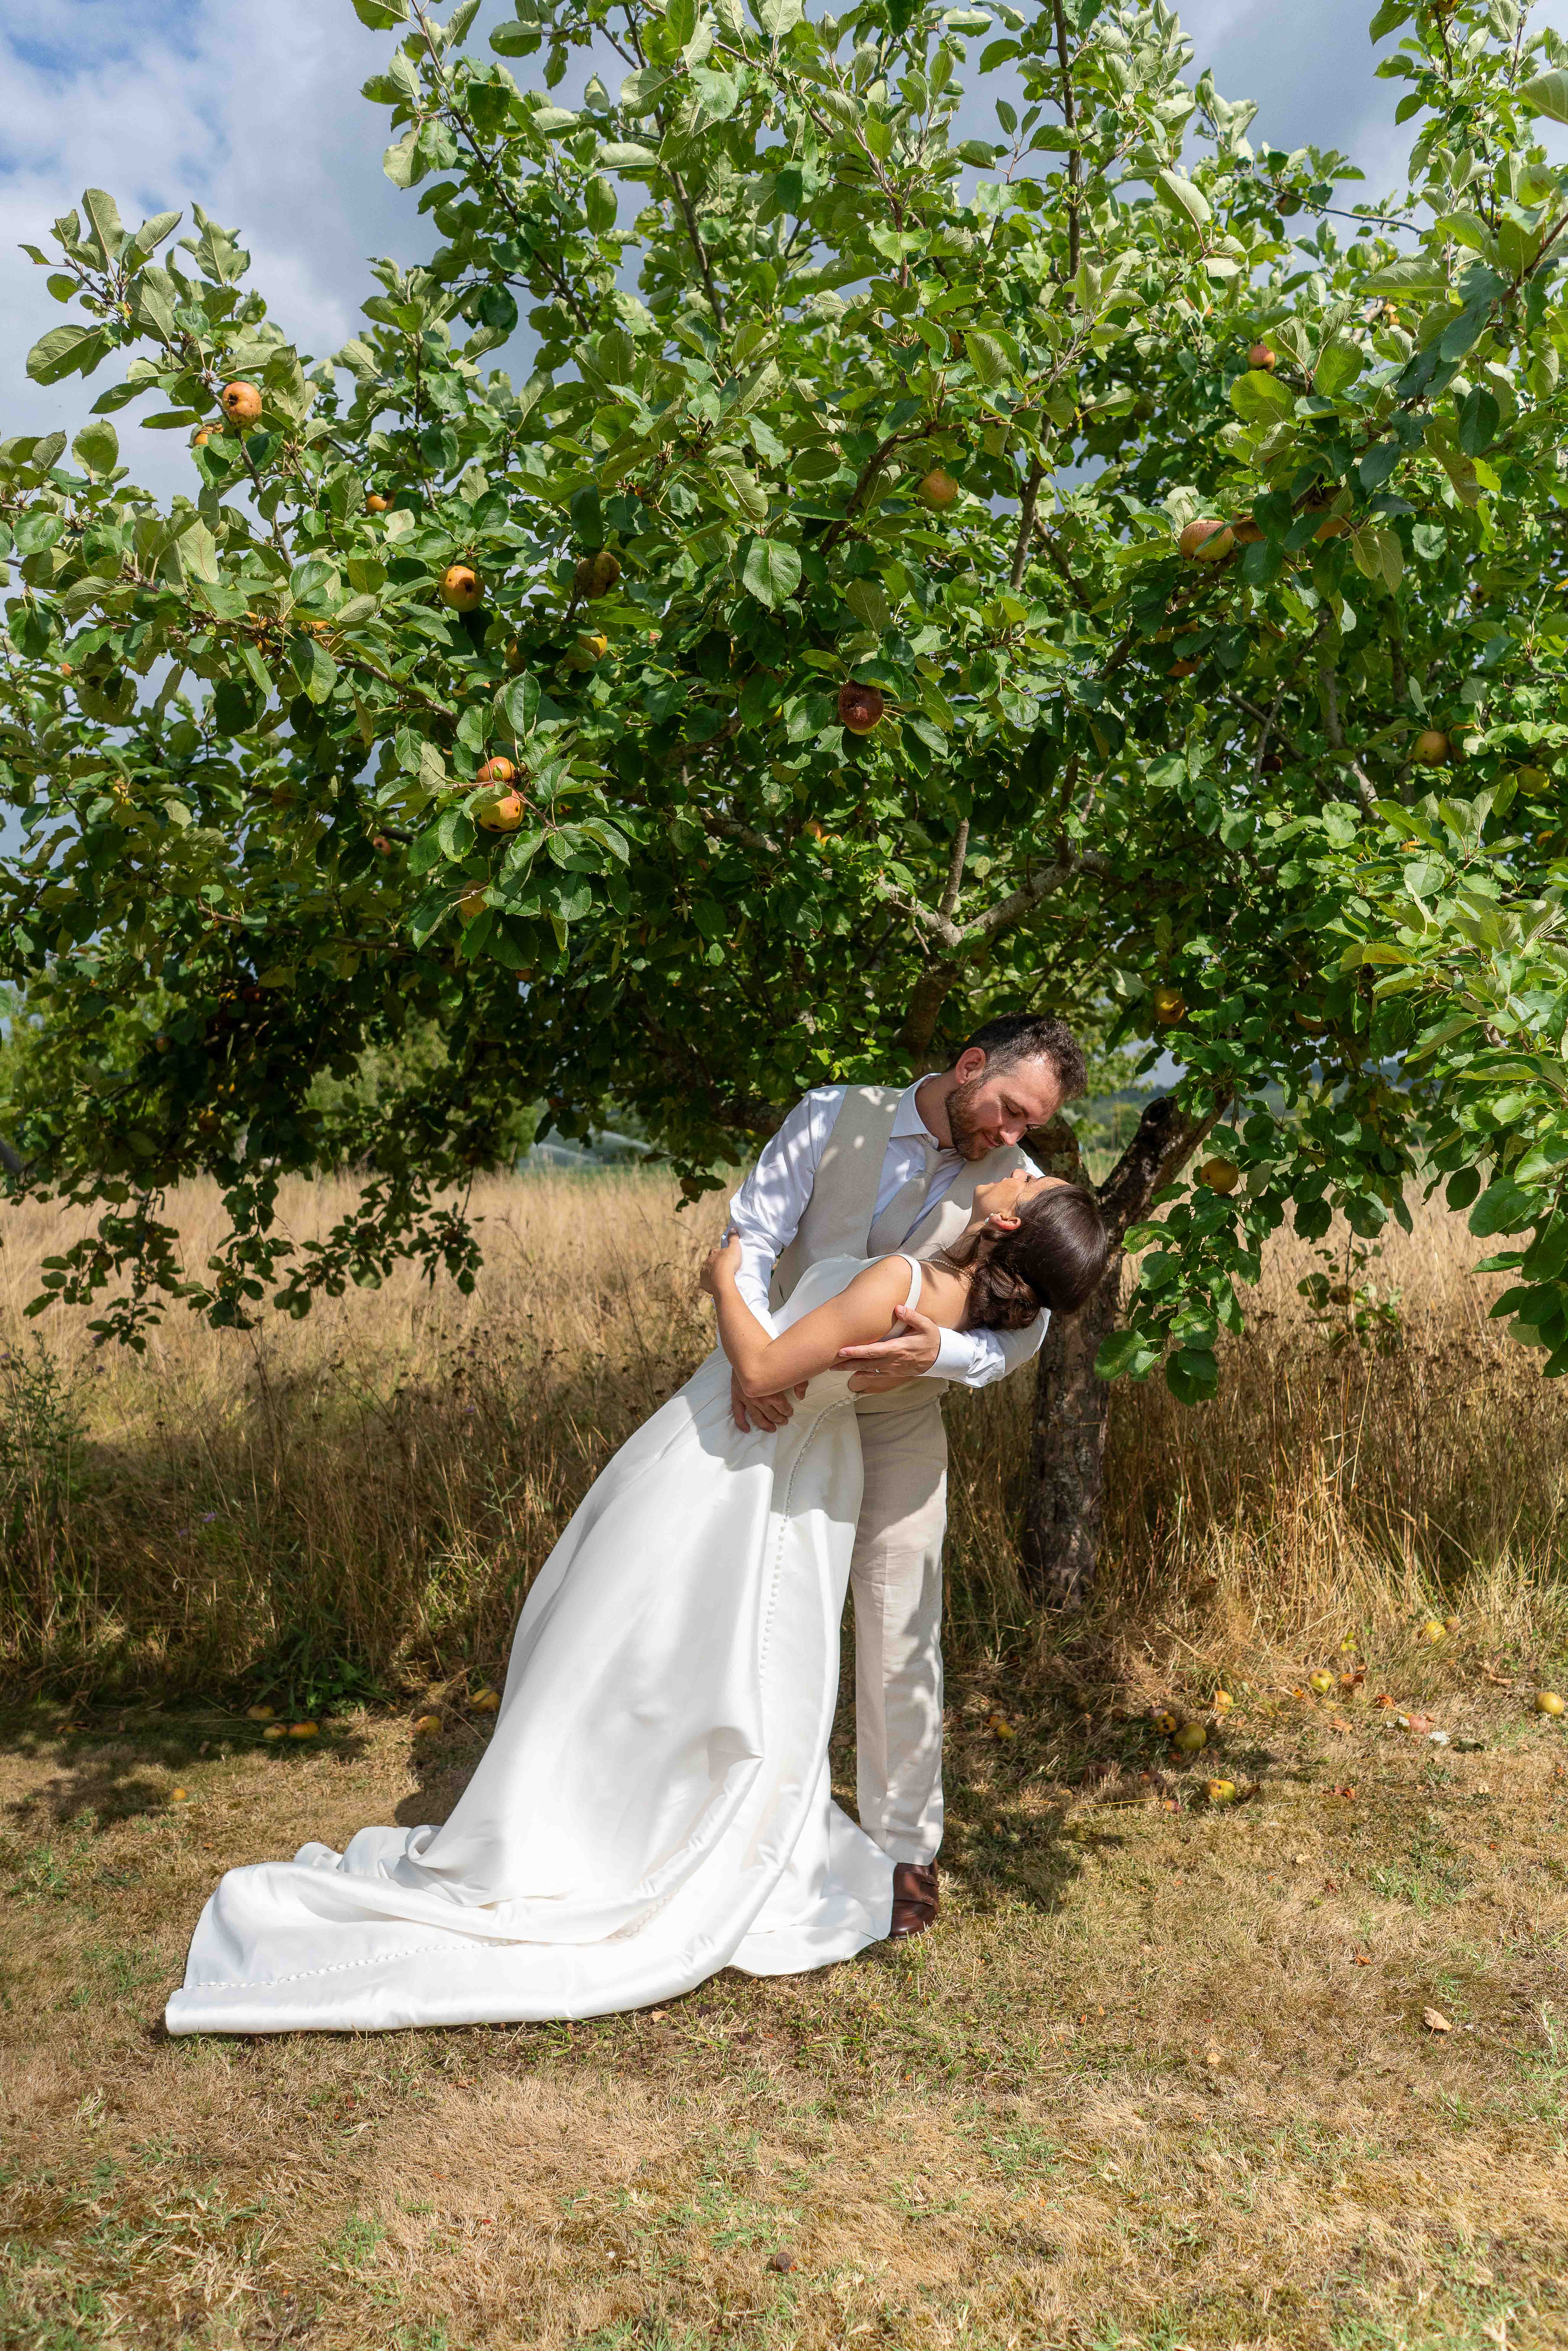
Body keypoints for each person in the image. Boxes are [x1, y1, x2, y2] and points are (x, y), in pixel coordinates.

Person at [164, 1171, 1107, 2035]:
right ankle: (625, 1809)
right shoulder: (964, 1309)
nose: (1019, 1163)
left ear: (1008, 1220)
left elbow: (766, 1372)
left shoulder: (898, 1281)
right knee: (706, 1655)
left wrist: (725, 1284)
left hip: (739, 1456)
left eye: (1031, 1178)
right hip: (812, 1469)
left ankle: (595, 1835)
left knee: (630, 1640)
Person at [720, 1012, 1087, 1939]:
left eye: (1028, 1125)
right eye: (1006, 1110)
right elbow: (754, 1237)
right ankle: (730, 1816)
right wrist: (759, 1360)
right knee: (742, 1607)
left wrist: (942, 1356)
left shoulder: (1021, 1185)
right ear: (971, 1066)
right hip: (775, 1399)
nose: (1011, 1136)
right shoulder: (834, 1114)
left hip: (898, 1418)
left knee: (901, 1624)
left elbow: (1029, 1326)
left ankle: (902, 1854)